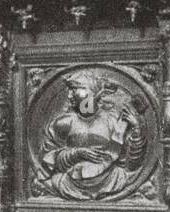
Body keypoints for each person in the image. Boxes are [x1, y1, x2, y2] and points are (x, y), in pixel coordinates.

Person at [39, 72, 146, 201]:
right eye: (69, 90)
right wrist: (76, 154)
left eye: (74, 90)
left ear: (90, 92)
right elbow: (47, 160)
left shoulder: (113, 122)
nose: (69, 95)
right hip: (67, 185)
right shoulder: (63, 123)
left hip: (113, 182)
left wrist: (136, 128)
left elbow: (130, 163)